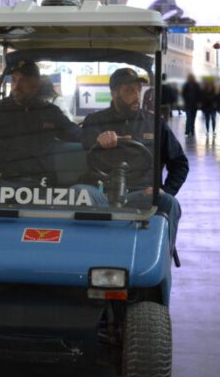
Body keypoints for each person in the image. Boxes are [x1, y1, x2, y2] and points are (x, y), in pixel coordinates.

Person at [81, 68, 189, 251]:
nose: (137, 95)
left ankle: (162, 256)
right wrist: (99, 139)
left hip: (141, 194)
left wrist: (163, 189)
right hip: (102, 194)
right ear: (114, 93)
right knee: (78, 192)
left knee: (169, 202)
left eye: (139, 90)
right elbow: (86, 141)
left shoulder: (154, 124)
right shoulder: (95, 121)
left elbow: (179, 163)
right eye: (129, 90)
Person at [0, 60, 81, 207]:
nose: (16, 86)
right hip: (3, 185)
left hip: (41, 186)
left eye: (23, 81)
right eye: (14, 80)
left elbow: (75, 133)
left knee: (82, 197)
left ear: (35, 84)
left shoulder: (50, 112)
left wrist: (100, 134)